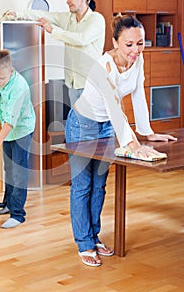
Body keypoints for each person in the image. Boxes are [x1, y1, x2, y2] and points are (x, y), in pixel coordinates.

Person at [65, 14, 177, 267]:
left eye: (140, 43)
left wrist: (147, 133)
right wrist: (133, 143)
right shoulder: (103, 66)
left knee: (100, 185)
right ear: (115, 43)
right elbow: (115, 107)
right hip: (83, 125)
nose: (136, 50)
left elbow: (138, 94)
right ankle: (84, 243)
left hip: (107, 128)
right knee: (83, 186)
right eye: (129, 44)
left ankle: (94, 237)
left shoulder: (137, 60)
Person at [1, 0, 105, 106]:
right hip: (72, 83)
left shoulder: (96, 19)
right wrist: (17, 14)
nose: (67, 1)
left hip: (90, 83)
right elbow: (42, 15)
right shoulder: (67, 18)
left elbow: (82, 39)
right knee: (77, 123)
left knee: (91, 124)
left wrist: (52, 30)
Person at [0, 48, 36, 229]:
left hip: (21, 130)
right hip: (8, 132)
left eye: (2, 79)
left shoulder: (19, 87)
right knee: (8, 168)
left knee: (19, 172)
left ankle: (18, 214)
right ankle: (8, 204)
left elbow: (10, 122)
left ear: (11, 71)